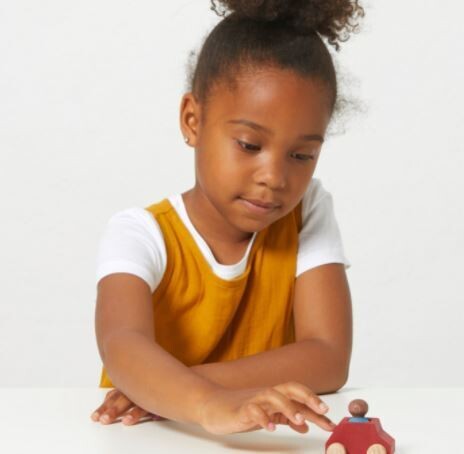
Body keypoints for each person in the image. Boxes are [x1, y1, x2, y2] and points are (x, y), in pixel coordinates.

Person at [90, 0, 364, 437]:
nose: (275, 177)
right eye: (249, 145)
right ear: (192, 120)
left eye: (301, 155)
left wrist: (173, 389)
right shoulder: (139, 233)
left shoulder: (307, 209)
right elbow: (122, 347)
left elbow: (329, 357)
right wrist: (208, 405)